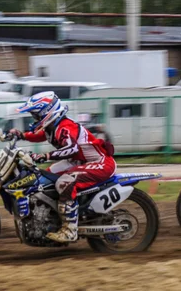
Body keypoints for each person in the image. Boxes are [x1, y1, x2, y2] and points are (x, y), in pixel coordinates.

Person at [7, 91, 116, 243]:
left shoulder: (65, 127)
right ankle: (52, 217)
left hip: (100, 162)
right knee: (44, 179)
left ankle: (70, 230)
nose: (34, 119)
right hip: (79, 161)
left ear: (47, 113)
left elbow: (72, 148)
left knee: (64, 182)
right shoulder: (53, 128)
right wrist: (21, 135)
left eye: (36, 115)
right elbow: (40, 135)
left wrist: (45, 156)